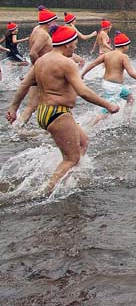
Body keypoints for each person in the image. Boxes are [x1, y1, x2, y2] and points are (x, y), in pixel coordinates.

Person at [6, 25, 120, 193]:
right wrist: (108, 104)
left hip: (45, 112)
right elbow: (83, 91)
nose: (76, 46)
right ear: (67, 44)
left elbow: (24, 84)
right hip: (58, 113)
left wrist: (13, 108)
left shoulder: (41, 61)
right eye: (74, 43)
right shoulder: (67, 63)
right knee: (71, 158)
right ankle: (46, 191)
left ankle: (70, 179)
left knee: (83, 141)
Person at [81, 31, 136, 125]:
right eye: (128, 45)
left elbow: (92, 64)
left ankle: (126, 120)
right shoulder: (124, 56)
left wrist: (82, 75)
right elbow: (131, 73)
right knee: (108, 110)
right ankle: (89, 127)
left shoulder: (107, 55)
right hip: (114, 87)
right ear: (124, 46)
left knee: (130, 98)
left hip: (108, 84)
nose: (129, 47)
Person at [15, 8, 58, 126]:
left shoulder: (36, 29)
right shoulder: (43, 35)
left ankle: (18, 126)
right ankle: (55, 125)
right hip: (41, 71)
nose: (56, 24)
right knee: (57, 99)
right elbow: (33, 52)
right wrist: (39, 68)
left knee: (32, 105)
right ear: (49, 22)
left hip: (36, 70)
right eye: (54, 21)